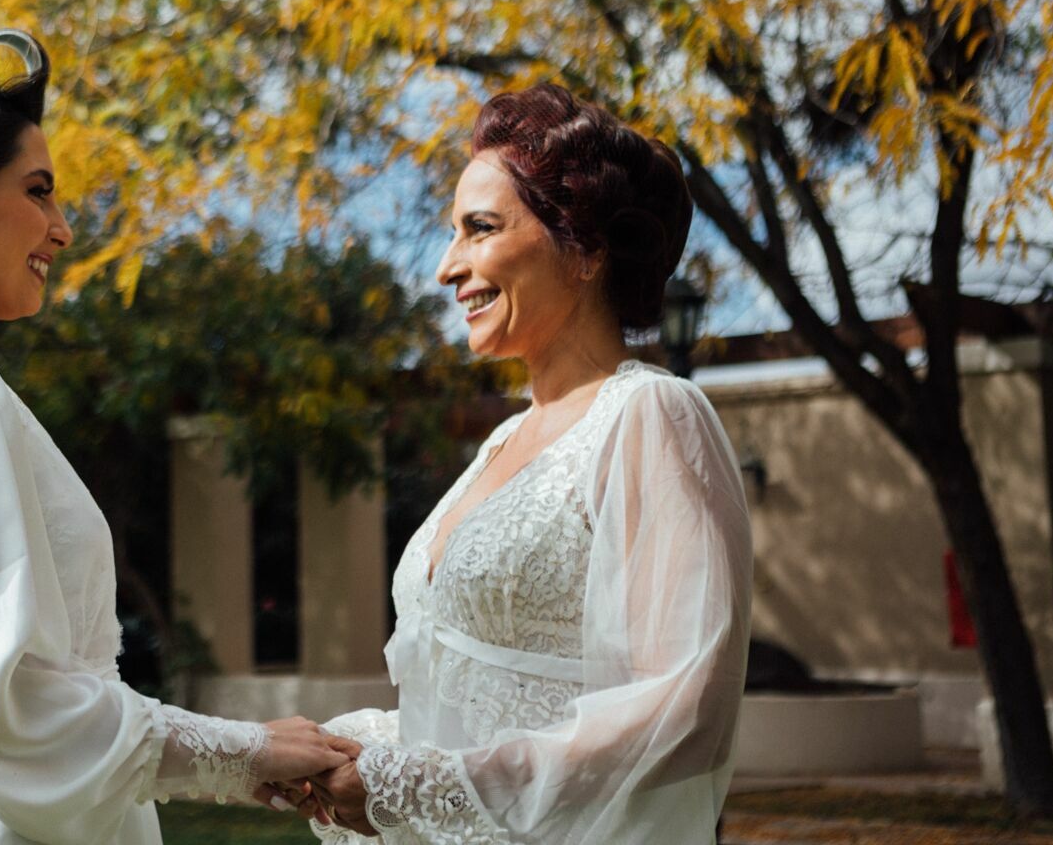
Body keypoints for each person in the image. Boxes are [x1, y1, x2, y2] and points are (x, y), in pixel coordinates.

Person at [0, 22, 352, 844]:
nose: (62, 230)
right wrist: (247, 750)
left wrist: (243, 762)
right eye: (38, 192)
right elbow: (10, 696)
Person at [286, 83, 753, 843]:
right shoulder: (500, 444)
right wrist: (358, 749)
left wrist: (418, 783)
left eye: (479, 229)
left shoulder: (650, 415)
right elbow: (475, 692)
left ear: (585, 248)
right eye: (452, 233)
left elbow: (681, 709)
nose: (445, 267)